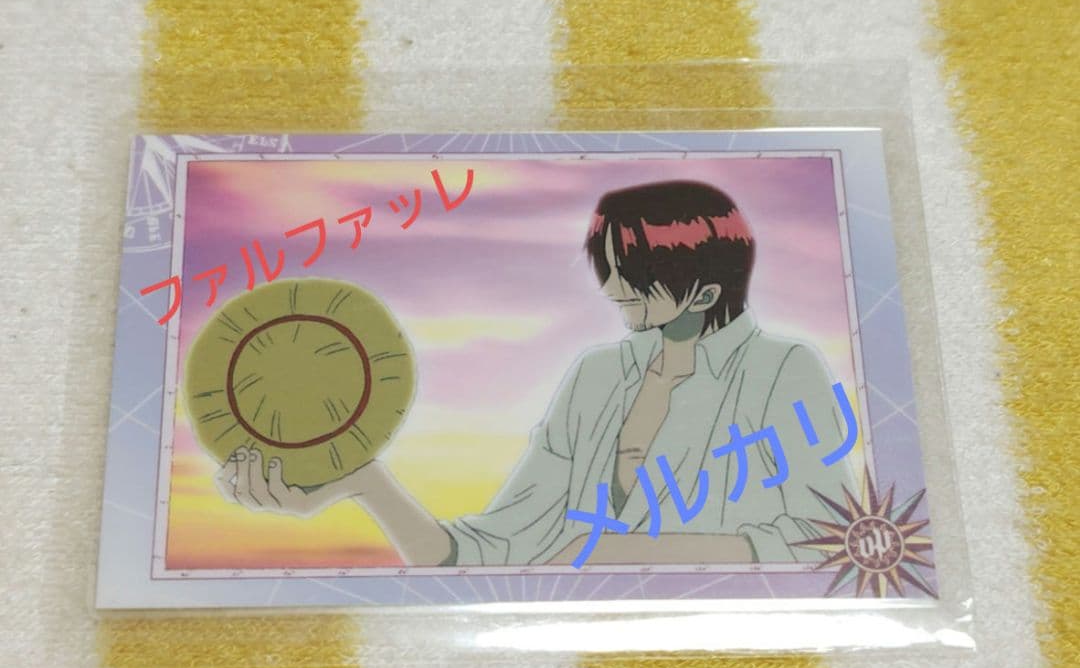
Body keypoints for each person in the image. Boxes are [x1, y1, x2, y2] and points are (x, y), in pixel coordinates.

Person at [216, 181, 856, 566]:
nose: (610, 286)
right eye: (605, 265)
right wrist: (366, 484)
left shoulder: (784, 369)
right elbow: (499, 545)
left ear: (707, 292)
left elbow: (827, 540)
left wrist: (614, 554)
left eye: (632, 275)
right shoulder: (597, 375)